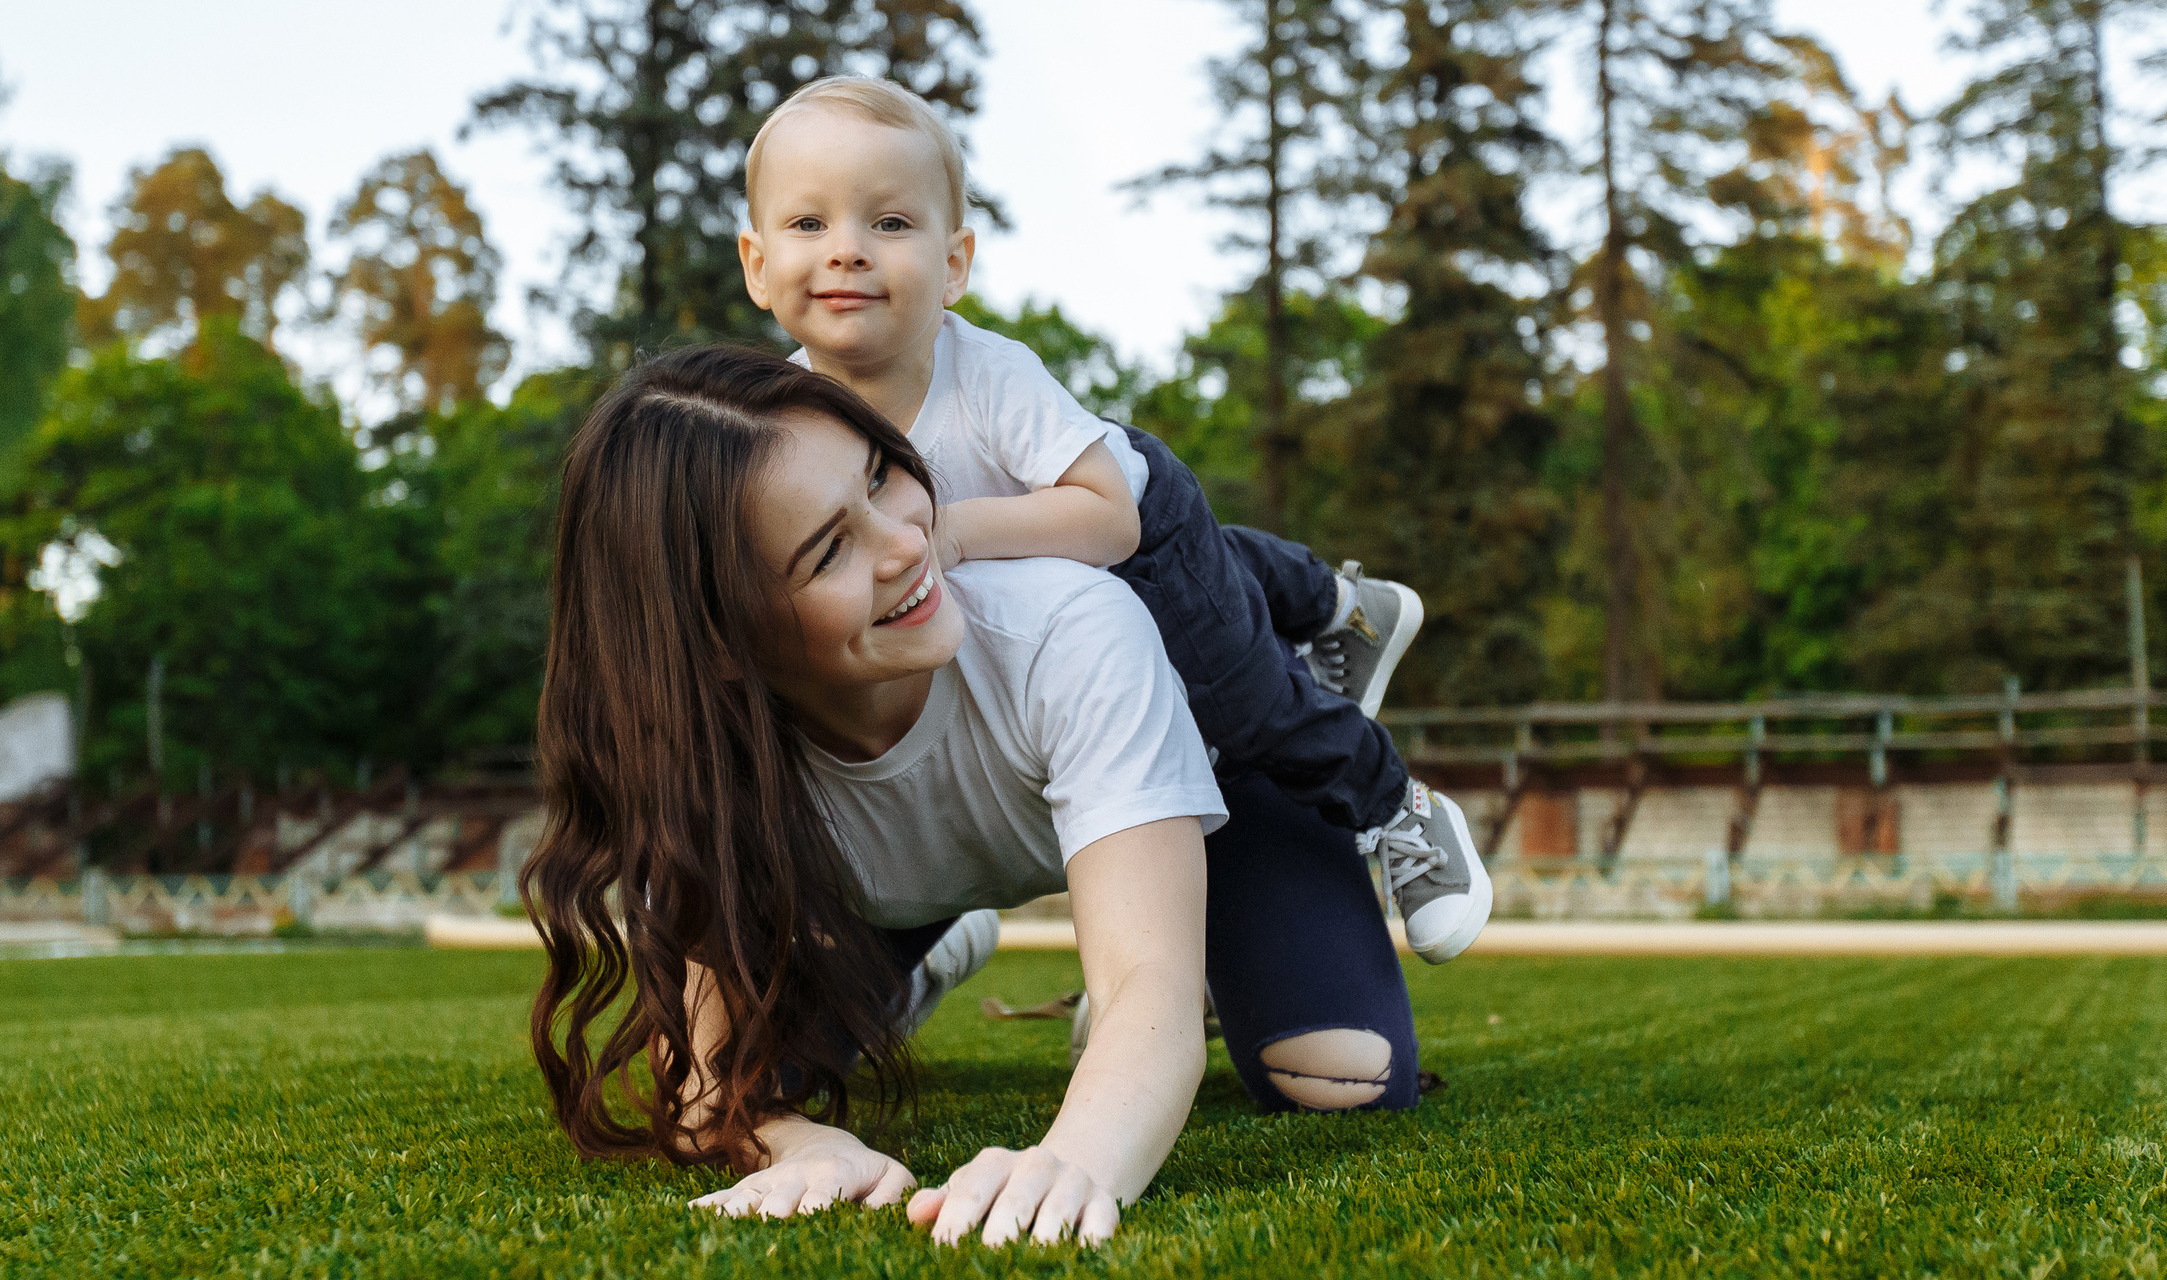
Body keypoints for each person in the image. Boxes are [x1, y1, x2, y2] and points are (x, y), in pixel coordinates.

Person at [525, 346, 1427, 1247]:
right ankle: (929, 940)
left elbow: (1148, 984)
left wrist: (1077, 1157)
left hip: (1225, 776)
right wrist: (797, 1147)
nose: (910, 543)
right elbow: (703, 1092)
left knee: (1343, 1078)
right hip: (887, 887)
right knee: (772, 1071)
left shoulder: (1071, 626)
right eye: (831, 548)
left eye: (881, 475)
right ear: (720, 641)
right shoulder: (704, 769)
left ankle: (1195, 919)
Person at [732, 75, 1489, 961]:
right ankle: (1328, 599)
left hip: (1127, 529)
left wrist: (961, 531)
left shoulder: (988, 375)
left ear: (954, 265)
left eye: (890, 224)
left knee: (1240, 706)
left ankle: (1398, 805)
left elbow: (1110, 521)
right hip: (1011, 596)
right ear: (754, 263)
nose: (847, 251)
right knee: (1222, 606)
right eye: (808, 224)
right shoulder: (780, 426)